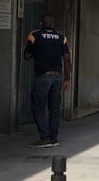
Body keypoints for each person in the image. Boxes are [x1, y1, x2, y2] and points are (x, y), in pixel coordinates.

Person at [24, 15, 71, 148]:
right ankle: (53, 137)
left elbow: (26, 55)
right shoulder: (62, 37)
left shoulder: (34, 35)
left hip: (43, 76)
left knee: (38, 106)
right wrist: (67, 78)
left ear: (41, 24)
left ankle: (45, 137)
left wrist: (37, 52)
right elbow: (67, 58)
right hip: (57, 77)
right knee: (54, 108)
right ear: (53, 24)